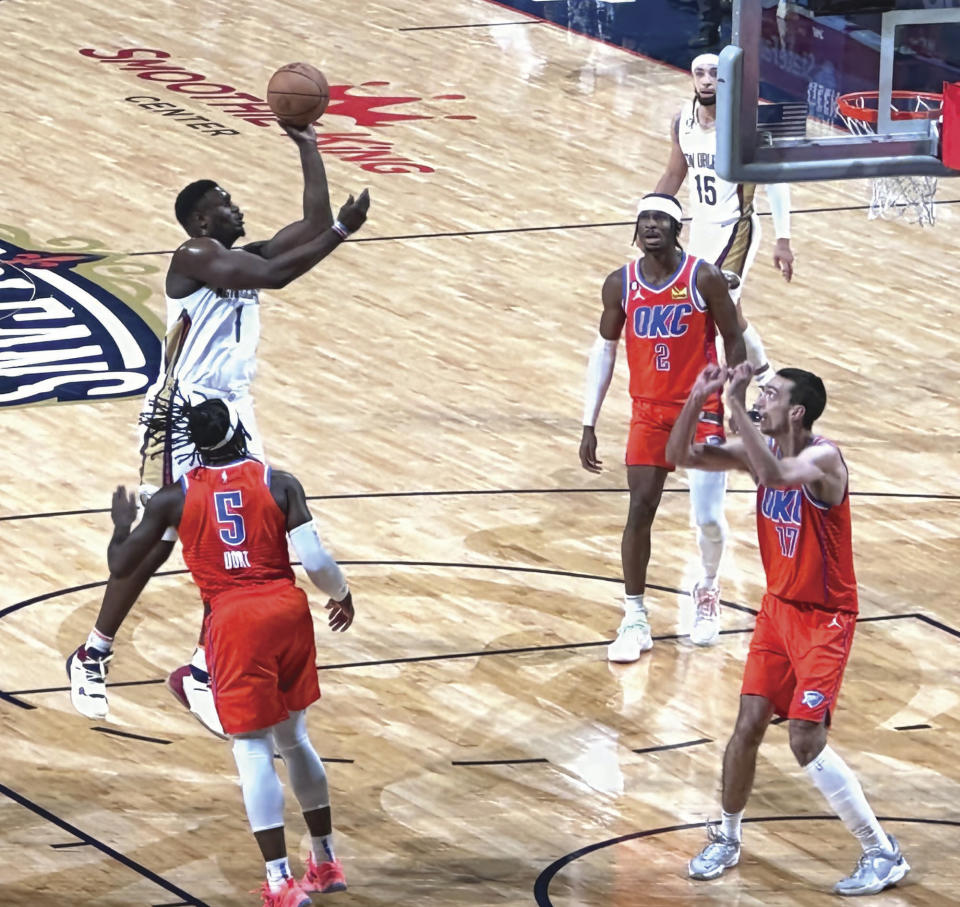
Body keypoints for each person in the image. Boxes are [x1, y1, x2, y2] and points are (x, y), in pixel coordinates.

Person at [66, 122, 371, 736]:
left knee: (246, 530)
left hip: (232, 408)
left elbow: (307, 226)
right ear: (202, 223)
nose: (237, 207)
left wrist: (308, 144)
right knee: (169, 539)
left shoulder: (239, 256)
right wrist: (342, 232)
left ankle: (204, 668)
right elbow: (285, 270)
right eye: (225, 203)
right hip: (181, 414)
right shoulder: (195, 258)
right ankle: (94, 652)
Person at [665, 363, 910, 897]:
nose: (759, 399)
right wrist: (696, 397)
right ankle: (727, 837)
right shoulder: (761, 451)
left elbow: (776, 477)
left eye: (769, 394)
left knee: (804, 738)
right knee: (748, 724)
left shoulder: (824, 458)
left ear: (795, 411)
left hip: (826, 617)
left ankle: (882, 852)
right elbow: (680, 456)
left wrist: (730, 405)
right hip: (777, 609)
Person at [106, 397, 355, 907]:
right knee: (296, 738)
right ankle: (325, 861)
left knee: (251, 749)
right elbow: (316, 560)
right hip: (287, 612)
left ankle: (280, 882)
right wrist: (342, 594)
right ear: (239, 431)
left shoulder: (173, 499)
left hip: (235, 619)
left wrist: (120, 522)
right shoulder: (279, 482)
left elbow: (121, 565)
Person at [654, 52, 796, 646]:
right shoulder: (682, 120)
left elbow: (780, 178)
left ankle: (753, 373)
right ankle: (755, 370)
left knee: (721, 307)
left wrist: (782, 238)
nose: (707, 80)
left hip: (737, 227)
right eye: (700, 72)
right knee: (711, 314)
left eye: (716, 73)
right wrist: (648, 211)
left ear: (729, 78)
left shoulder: (750, 122)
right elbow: (673, 176)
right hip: (701, 229)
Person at [579, 192, 745, 663]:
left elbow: (733, 338)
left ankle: (708, 588)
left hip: (702, 407)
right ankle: (634, 616)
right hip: (648, 410)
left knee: (708, 517)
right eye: (644, 218)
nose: (650, 225)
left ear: (676, 229)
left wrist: (735, 396)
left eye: (660, 219)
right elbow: (605, 351)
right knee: (639, 509)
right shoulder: (620, 284)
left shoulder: (703, 277)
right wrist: (588, 421)